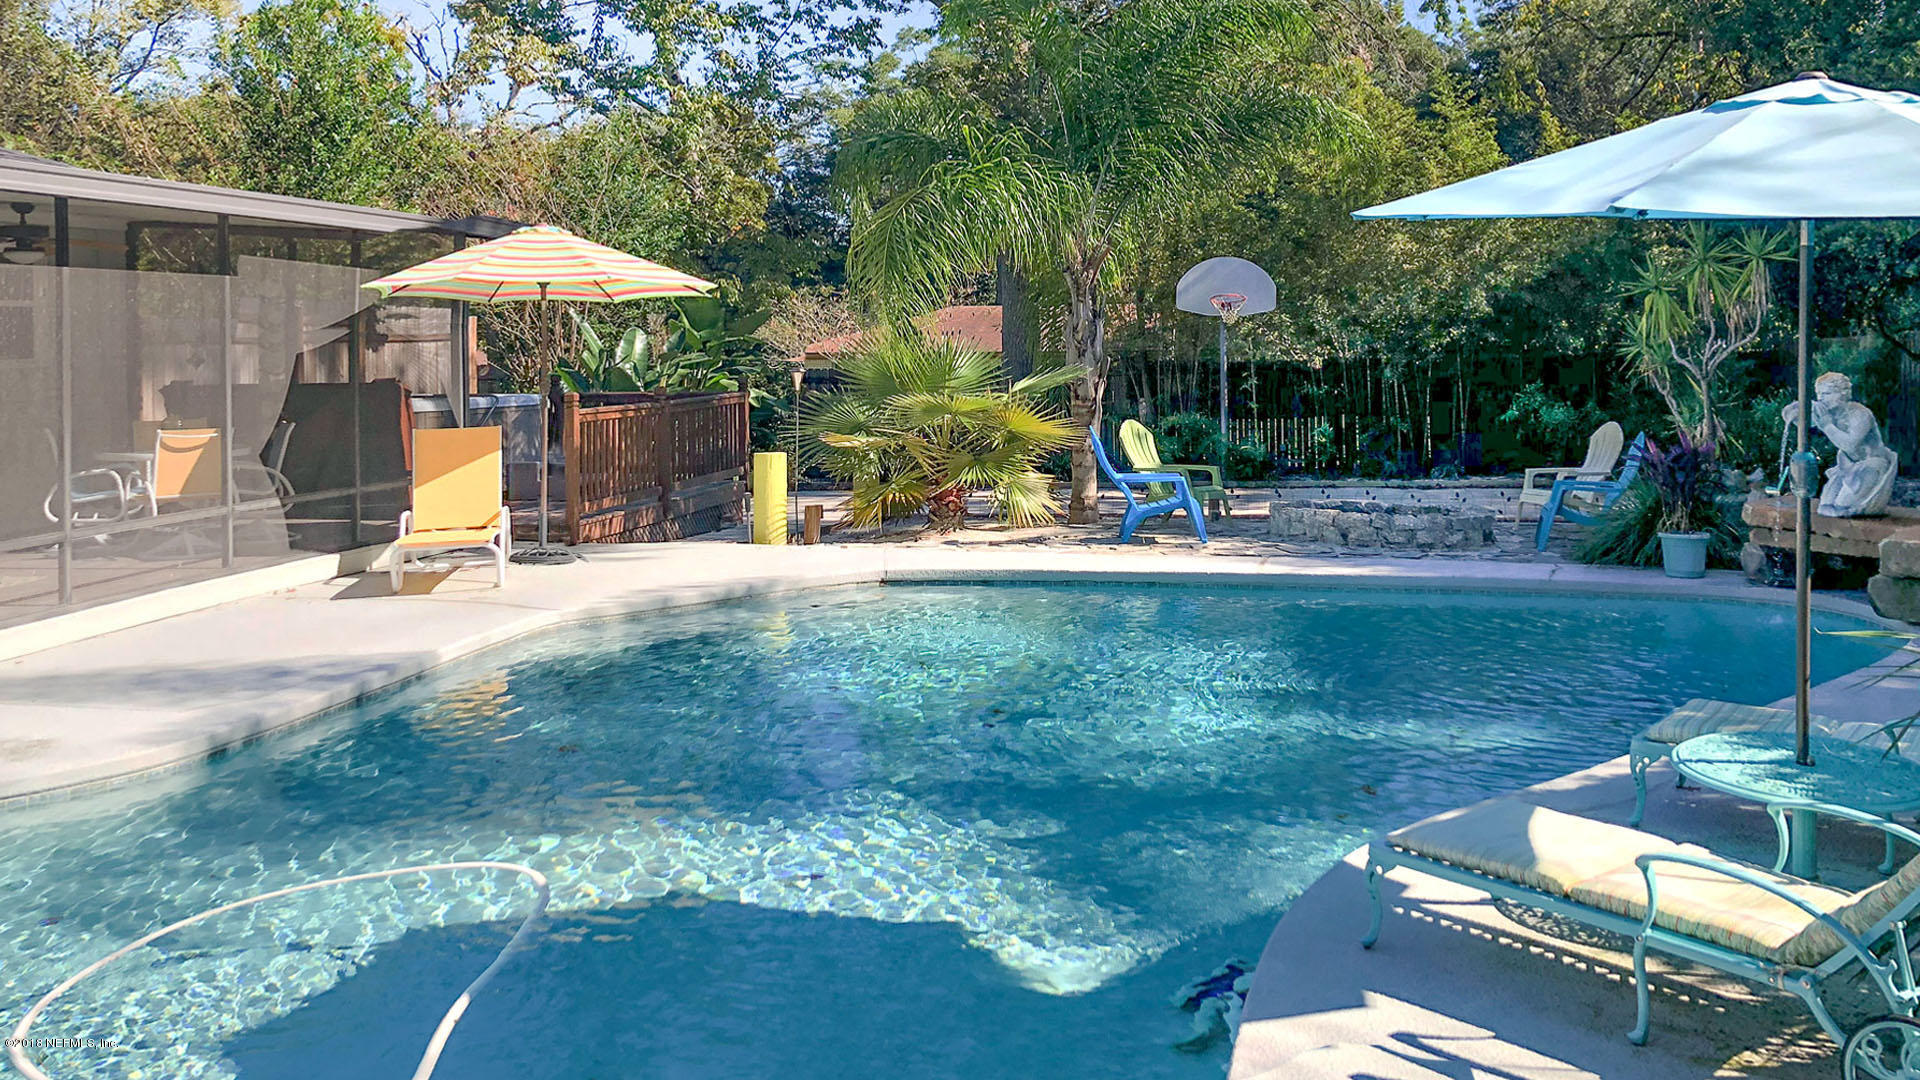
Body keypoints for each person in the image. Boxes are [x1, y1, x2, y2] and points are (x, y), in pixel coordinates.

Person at [1782, 371, 1898, 517]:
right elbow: (1789, 415)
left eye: (1827, 393)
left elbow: (1850, 445)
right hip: (1847, 466)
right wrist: (1803, 405)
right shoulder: (1828, 413)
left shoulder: (1860, 414)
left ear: (1843, 393)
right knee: (1826, 505)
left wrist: (1827, 425)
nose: (1821, 398)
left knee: (1843, 507)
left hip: (1872, 466)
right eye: (1819, 393)